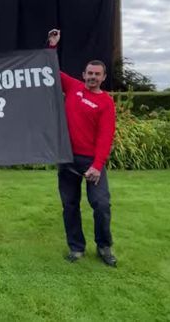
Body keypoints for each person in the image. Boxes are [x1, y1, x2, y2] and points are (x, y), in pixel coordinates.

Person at [47, 29, 118, 267]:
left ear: (103, 77)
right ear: (83, 74)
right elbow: (49, 70)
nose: (92, 77)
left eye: (97, 74)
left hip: (91, 162)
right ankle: (76, 248)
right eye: (89, 73)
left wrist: (97, 166)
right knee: (69, 205)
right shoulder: (74, 87)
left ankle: (104, 246)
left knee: (101, 204)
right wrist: (52, 46)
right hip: (67, 159)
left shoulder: (106, 102)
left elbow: (105, 136)